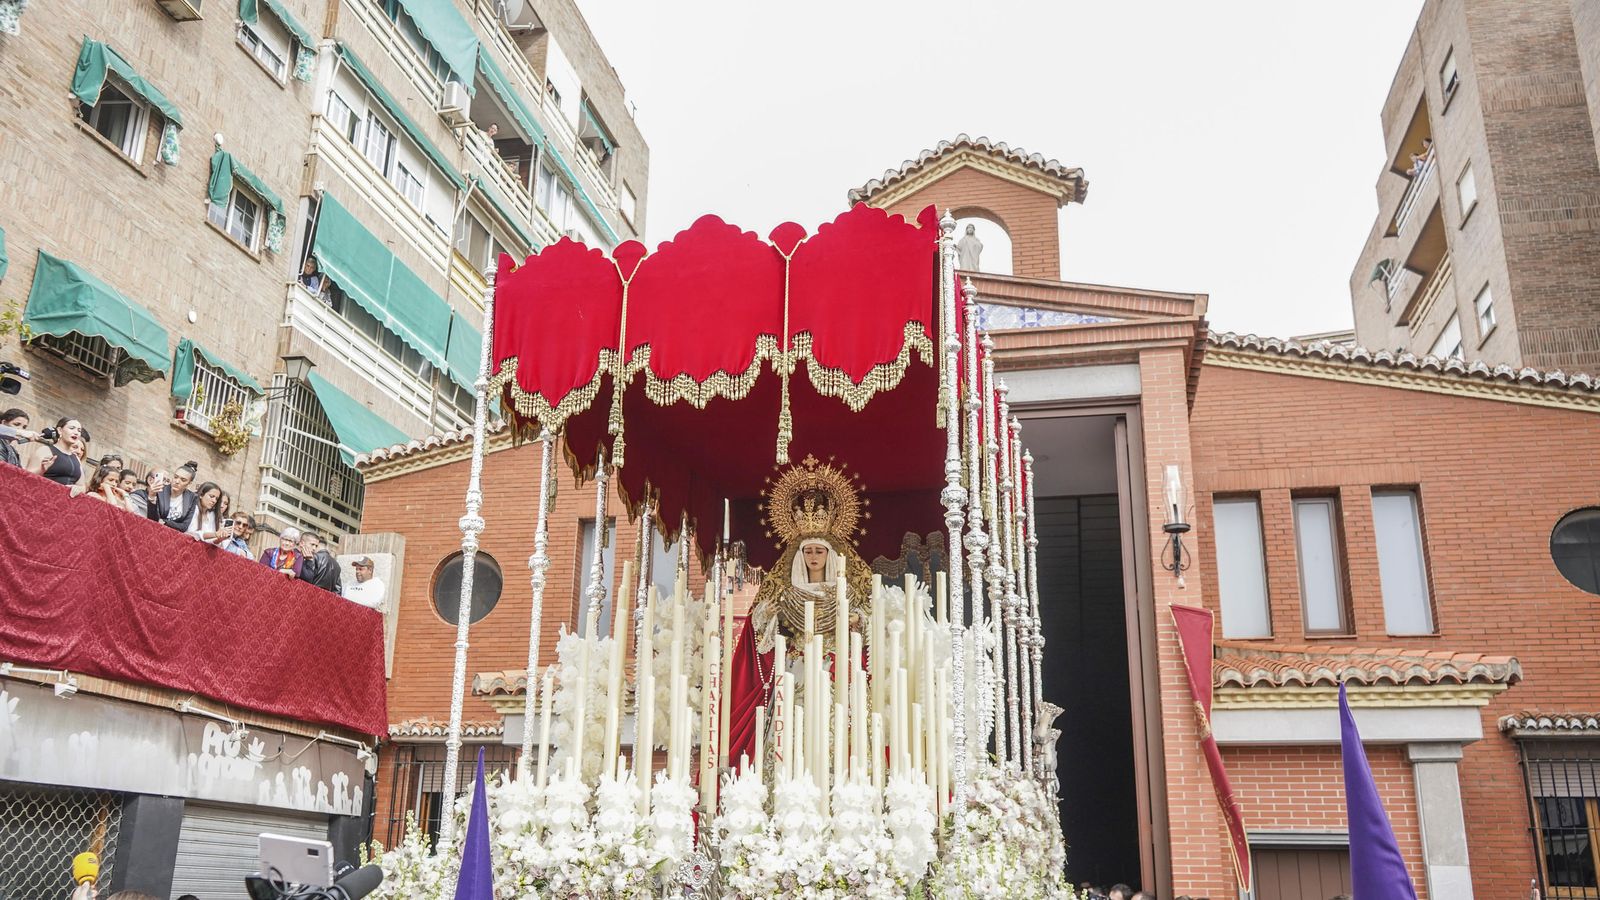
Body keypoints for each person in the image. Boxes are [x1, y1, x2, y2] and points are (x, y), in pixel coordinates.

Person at [727, 456, 874, 767]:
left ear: (830, 555)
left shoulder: (843, 592)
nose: (814, 556)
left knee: (833, 730)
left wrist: (857, 620)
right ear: (800, 556)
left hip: (834, 670)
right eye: (808, 551)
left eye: (819, 551)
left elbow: (868, 623)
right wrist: (773, 615)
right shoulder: (788, 593)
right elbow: (761, 628)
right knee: (790, 729)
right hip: (795, 670)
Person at [30, 417, 85, 487]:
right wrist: (41, 470)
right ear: (59, 430)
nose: (76, 433)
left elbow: (82, 486)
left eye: (79, 430)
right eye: (72, 428)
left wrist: (78, 488)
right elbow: (26, 476)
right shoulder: (44, 451)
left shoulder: (76, 459)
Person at [148, 462, 199, 531]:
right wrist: (151, 497)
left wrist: (165, 522)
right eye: (175, 477)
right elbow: (152, 519)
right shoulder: (160, 490)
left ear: (189, 483)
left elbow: (184, 526)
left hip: (172, 537)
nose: (177, 481)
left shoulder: (192, 498)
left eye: (183, 480)